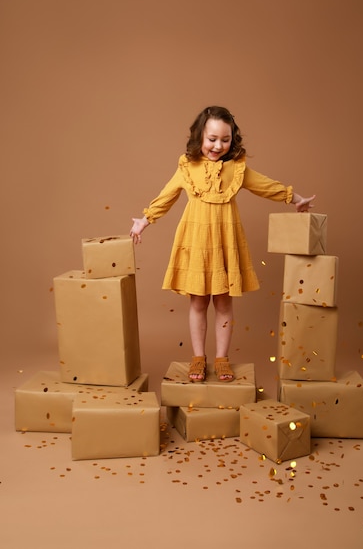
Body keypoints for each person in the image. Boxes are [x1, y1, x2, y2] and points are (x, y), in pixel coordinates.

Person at [130, 106, 315, 383]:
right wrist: (144, 220)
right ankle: (198, 358)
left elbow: (264, 185)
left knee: (225, 304)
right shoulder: (186, 166)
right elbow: (166, 195)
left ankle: (222, 359)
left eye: (225, 140)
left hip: (225, 242)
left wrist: (294, 197)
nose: (218, 145)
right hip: (196, 242)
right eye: (212, 139)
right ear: (199, 137)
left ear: (233, 140)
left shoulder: (237, 168)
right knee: (198, 303)